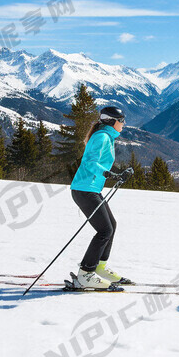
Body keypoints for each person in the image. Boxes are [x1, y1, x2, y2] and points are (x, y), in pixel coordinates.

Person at [68, 106, 132, 290]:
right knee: (104, 230)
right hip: (83, 189)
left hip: (91, 188)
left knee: (111, 226)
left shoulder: (107, 136)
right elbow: (89, 161)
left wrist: (114, 175)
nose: (123, 124)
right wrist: (108, 173)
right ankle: (86, 274)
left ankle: (99, 267)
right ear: (112, 121)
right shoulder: (102, 137)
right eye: (122, 120)